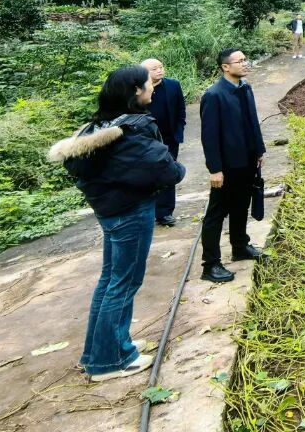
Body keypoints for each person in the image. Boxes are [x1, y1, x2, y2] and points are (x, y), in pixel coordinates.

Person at [48, 65, 185, 382]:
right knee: (123, 283)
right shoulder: (132, 132)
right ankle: (111, 361)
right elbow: (167, 170)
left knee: (110, 280)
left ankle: (101, 351)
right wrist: (178, 169)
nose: (153, 88)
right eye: (149, 84)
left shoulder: (99, 127)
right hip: (131, 212)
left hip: (111, 211)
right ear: (136, 91)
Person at [199, 48, 266, 283]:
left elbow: (253, 121)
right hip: (227, 165)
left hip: (247, 160)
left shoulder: (245, 87)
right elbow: (209, 137)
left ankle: (240, 246)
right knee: (216, 213)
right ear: (225, 67)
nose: (245, 64)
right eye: (240, 61)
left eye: (246, 60)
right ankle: (210, 265)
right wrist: (215, 169)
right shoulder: (214, 95)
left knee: (241, 204)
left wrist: (259, 150)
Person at [141, 58, 186, 226]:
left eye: (161, 67)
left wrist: (179, 130)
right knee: (146, 175)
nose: (160, 70)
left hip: (169, 139)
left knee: (168, 172)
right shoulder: (137, 88)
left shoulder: (173, 85)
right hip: (146, 140)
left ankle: (165, 212)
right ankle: (147, 211)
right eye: (154, 69)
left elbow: (181, 109)